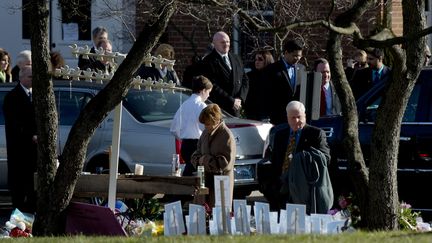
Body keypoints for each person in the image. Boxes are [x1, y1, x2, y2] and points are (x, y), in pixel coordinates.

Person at [261, 101, 331, 213]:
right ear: (287, 118)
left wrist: (303, 158)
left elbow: (325, 159)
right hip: (282, 187)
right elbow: (275, 162)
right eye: (292, 118)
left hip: (304, 188)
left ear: (305, 116)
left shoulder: (316, 134)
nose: (296, 121)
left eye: (299, 117)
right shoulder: (280, 135)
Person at [3, 65, 38, 213]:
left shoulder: (36, 95)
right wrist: (31, 136)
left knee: (32, 191)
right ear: (21, 78)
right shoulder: (12, 97)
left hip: (33, 154)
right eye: (30, 77)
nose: (33, 80)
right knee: (19, 192)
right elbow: (14, 125)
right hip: (19, 152)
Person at [191, 104, 236, 208]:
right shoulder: (205, 133)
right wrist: (198, 161)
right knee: (202, 216)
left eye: (207, 124)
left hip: (220, 186)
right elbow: (196, 154)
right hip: (204, 184)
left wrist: (205, 160)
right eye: (204, 124)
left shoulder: (227, 136)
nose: (205, 127)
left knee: (219, 219)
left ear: (215, 120)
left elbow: (226, 164)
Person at [199, 31, 249, 117]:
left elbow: (244, 79)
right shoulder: (208, 61)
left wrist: (240, 98)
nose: (226, 44)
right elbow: (212, 85)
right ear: (214, 44)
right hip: (220, 109)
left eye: (228, 42)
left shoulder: (236, 58)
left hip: (236, 108)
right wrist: (231, 101)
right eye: (222, 42)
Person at [170, 75, 213, 176]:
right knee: (197, 174)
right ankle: (183, 190)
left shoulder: (184, 105)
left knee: (190, 170)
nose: (208, 96)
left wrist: (183, 137)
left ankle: (183, 189)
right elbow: (207, 128)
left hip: (185, 146)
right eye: (208, 92)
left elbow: (173, 129)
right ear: (203, 90)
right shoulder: (202, 106)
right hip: (197, 145)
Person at [265, 39, 305, 125]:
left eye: (299, 56)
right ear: (286, 53)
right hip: (278, 117)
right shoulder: (273, 69)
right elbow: (267, 94)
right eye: (295, 56)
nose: (297, 59)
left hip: (296, 118)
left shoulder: (302, 69)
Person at [244, 48, 274, 121]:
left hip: (268, 113)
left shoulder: (273, 76)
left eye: (260, 59)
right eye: (256, 59)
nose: (257, 62)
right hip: (252, 113)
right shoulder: (249, 76)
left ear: (267, 60)